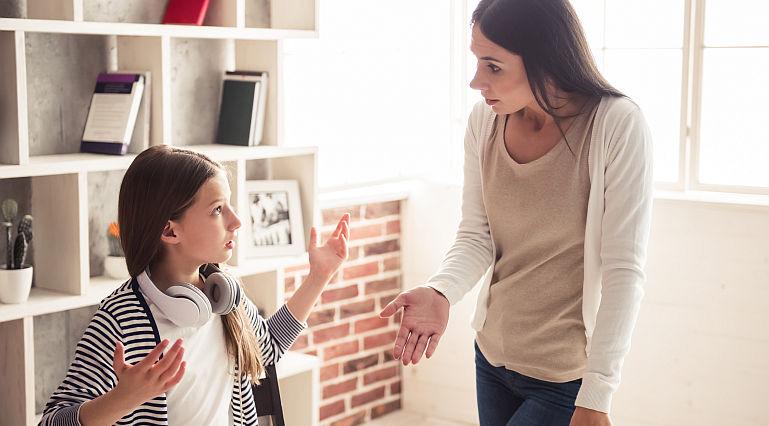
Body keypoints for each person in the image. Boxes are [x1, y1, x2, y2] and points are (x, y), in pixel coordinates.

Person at [380, 0, 653, 425]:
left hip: (564, 378)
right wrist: (441, 291)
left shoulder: (616, 125)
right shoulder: (484, 123)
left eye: (493, 66)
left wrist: (597, 393)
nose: (475, 82)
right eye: (476, 62)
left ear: (545, 59)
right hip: (491, 358)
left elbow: (623, 269)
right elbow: (477, 234)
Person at [40, 145, 350, 425]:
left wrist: (318, 276)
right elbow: (51, 421)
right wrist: (122, 400)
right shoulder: (120, 319)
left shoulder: (223, 294)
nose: (236, 220)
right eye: (217, 209)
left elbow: (265, 350)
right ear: (170, 231)